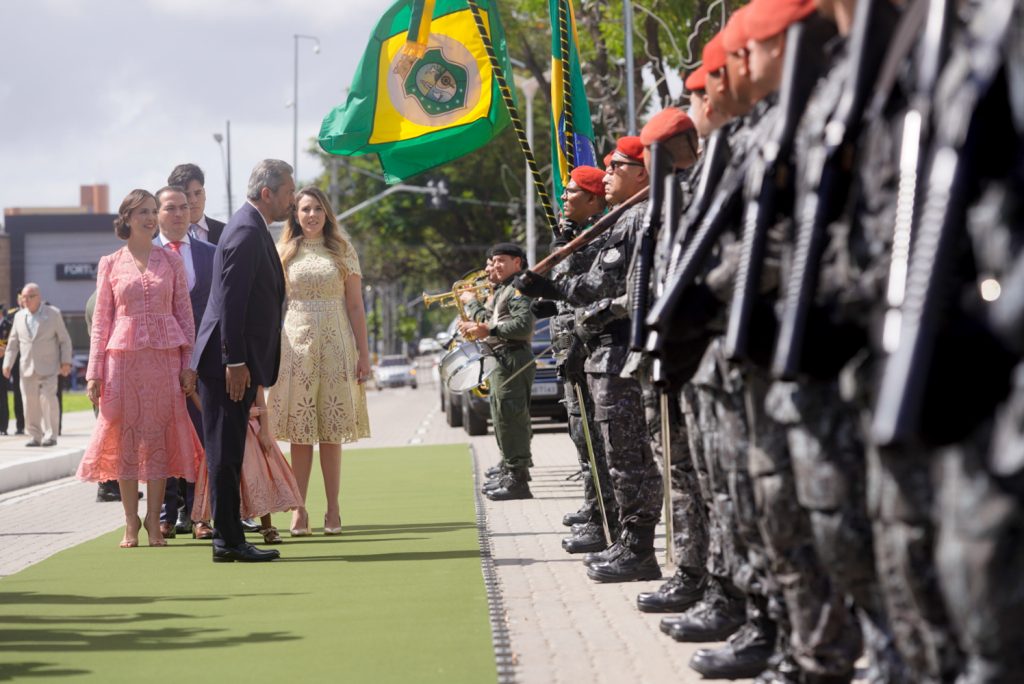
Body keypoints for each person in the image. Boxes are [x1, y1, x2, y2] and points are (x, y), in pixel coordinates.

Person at [75, 189, 201, 548]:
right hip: (122, 361)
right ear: (127, 218)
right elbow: (101, 321)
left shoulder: (171, 261)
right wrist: (94, 373)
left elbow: (185, 317)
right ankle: (130, 520)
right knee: (126, 439)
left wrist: (188, 365)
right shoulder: (110, 263)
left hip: (164, 360)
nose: (149, 217)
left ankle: (154, 519)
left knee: (159, 437)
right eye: (142, 211)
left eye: (152, 211)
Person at [191, 159, 292, 563]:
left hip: (236, 362)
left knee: (229, 451)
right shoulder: (246, 231)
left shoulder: (251, 227)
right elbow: (232, 303)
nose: (291, 199)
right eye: (288, 191)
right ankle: (228, 541)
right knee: (225, 453)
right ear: (267, 193)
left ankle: (229, 538)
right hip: (226, 366)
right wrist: (234, 361)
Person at [267, 186, 371, 536]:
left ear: (327, 213)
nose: (311, 215)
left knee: (330, 430)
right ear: (295, 215)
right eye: (305, 209)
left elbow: (355, 305)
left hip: (336, 343)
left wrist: (364, 354)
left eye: (317, 209)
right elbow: (272, 303)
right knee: (300, 431)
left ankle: (333, 508)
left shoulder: (342, 250)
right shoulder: (283, 251)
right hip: (296, 344)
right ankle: (299, 509)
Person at [154, 185, 217, 539]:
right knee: (164, 438)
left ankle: (200, 514)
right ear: (157, 214)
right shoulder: (146, 256)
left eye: (183, 207)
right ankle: (165, 513)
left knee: (200, 437)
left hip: (202, 362)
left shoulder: (211, 254)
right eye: (170, 208)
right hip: (160, 361)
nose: (179, 213)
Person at [461, 243, 536, 501]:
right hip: (502, 358)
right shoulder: (505, 288)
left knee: (510, 419)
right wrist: (476, 321)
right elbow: (492, 320)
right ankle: (511, 472)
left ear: (517, 262)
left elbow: (523, 326)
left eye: (501, 260)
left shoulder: (517, 289)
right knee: (503, 418)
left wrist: (487, 329)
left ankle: (517, 479)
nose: (494, 266)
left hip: (512, 356)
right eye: (493, 261)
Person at [192, 385, 303, 545]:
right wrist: (192, 393)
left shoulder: (252, 376)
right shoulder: (216, 379)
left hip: (251, 433)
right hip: (224, 431)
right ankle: (216, 525)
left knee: (258, 476)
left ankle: (267, 526)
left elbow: (261, 404)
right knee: (221, 477)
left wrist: (264, 432)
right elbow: (207, 408)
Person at [2, 283, 72, 447]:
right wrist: (7, 363)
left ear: (38, 297)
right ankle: (35, 436)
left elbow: (64, 340)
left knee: (48, 399)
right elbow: (13, 343)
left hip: (49, 367)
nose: (25, 300)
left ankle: (51, 435)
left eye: (29, 297)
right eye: (23, 297)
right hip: (26, 367)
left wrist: (66, 361)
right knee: (29, 403)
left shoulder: (53, 314)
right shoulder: (19, 317)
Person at [168, 163, 226, 244]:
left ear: (204, 193)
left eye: (197, 193)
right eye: (187, 195)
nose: (193, 200)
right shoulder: (165, 236)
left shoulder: (225, 232)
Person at [0, 301, 25, 436]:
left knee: (5, 394)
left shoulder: (8, 325)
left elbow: (14, 343)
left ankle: (4, 426)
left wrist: (4, 350)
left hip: (6, 362)